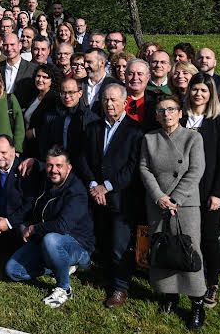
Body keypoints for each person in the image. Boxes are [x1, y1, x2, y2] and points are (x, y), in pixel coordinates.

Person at [74, 83, 144, 309]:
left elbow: (132, 166)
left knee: (119, 245)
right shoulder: (93, 127)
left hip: (120, 198)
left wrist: (107, 186)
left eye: (114, 100)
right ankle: (104, 276)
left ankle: (120, 288)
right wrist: (94, 185)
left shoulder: (135, 131)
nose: (109, 104)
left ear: (124, 102)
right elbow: (83, 158)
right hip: (96, 195)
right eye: (105, 99)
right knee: (102, 239)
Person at [139, 94, 207, 329]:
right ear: (156, 116)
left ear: (180, 112)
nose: (166, 114)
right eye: (160, 110)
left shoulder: (193, 138)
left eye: (170, 109)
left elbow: (196, 171)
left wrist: (176, 198)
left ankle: (197, 302)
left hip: (185, 204)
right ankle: (169, 295)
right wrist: (159, 197)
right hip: (158, 203)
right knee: (163, 248)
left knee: (188, 249)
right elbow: (144, 168)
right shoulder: (149, 138)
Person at [5, 146, 94, 309]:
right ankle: (60, 265)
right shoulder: (47, 179)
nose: (54, 170)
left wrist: (33, 229)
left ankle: (64, 288)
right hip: (44, 241)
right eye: (50, 165)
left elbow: (62, 226)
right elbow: (40, 165)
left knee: (51, 239)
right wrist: (34, 162)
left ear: (69, 167)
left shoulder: (76, 192)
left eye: (59, 166)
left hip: (77, 244)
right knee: (12, 270)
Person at [182, 73, 220, 307]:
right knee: (184, 237)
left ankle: (212, 282)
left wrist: (218, 193)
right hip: (182, 190)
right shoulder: (180, 117)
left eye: (203, 90)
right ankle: (184, 277)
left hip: (208, 189)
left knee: (209, 237)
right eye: (195, 89)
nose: (198, 94)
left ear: (211, 93)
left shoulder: (218, 121)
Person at [22, 64, 60, 160]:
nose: (40, 80)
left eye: (45, 77)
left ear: (52, 80)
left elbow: (53, 123)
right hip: (28, 146)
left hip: (41, 149)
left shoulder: (54, 99)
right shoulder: (34, 95)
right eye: (38, 76)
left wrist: (34, 132)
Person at [81, 48, 117, 115]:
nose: (85, 66)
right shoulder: (79, 84)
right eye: (84, 62)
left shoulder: (115, 85)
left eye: (89, 62)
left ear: (102, 63)